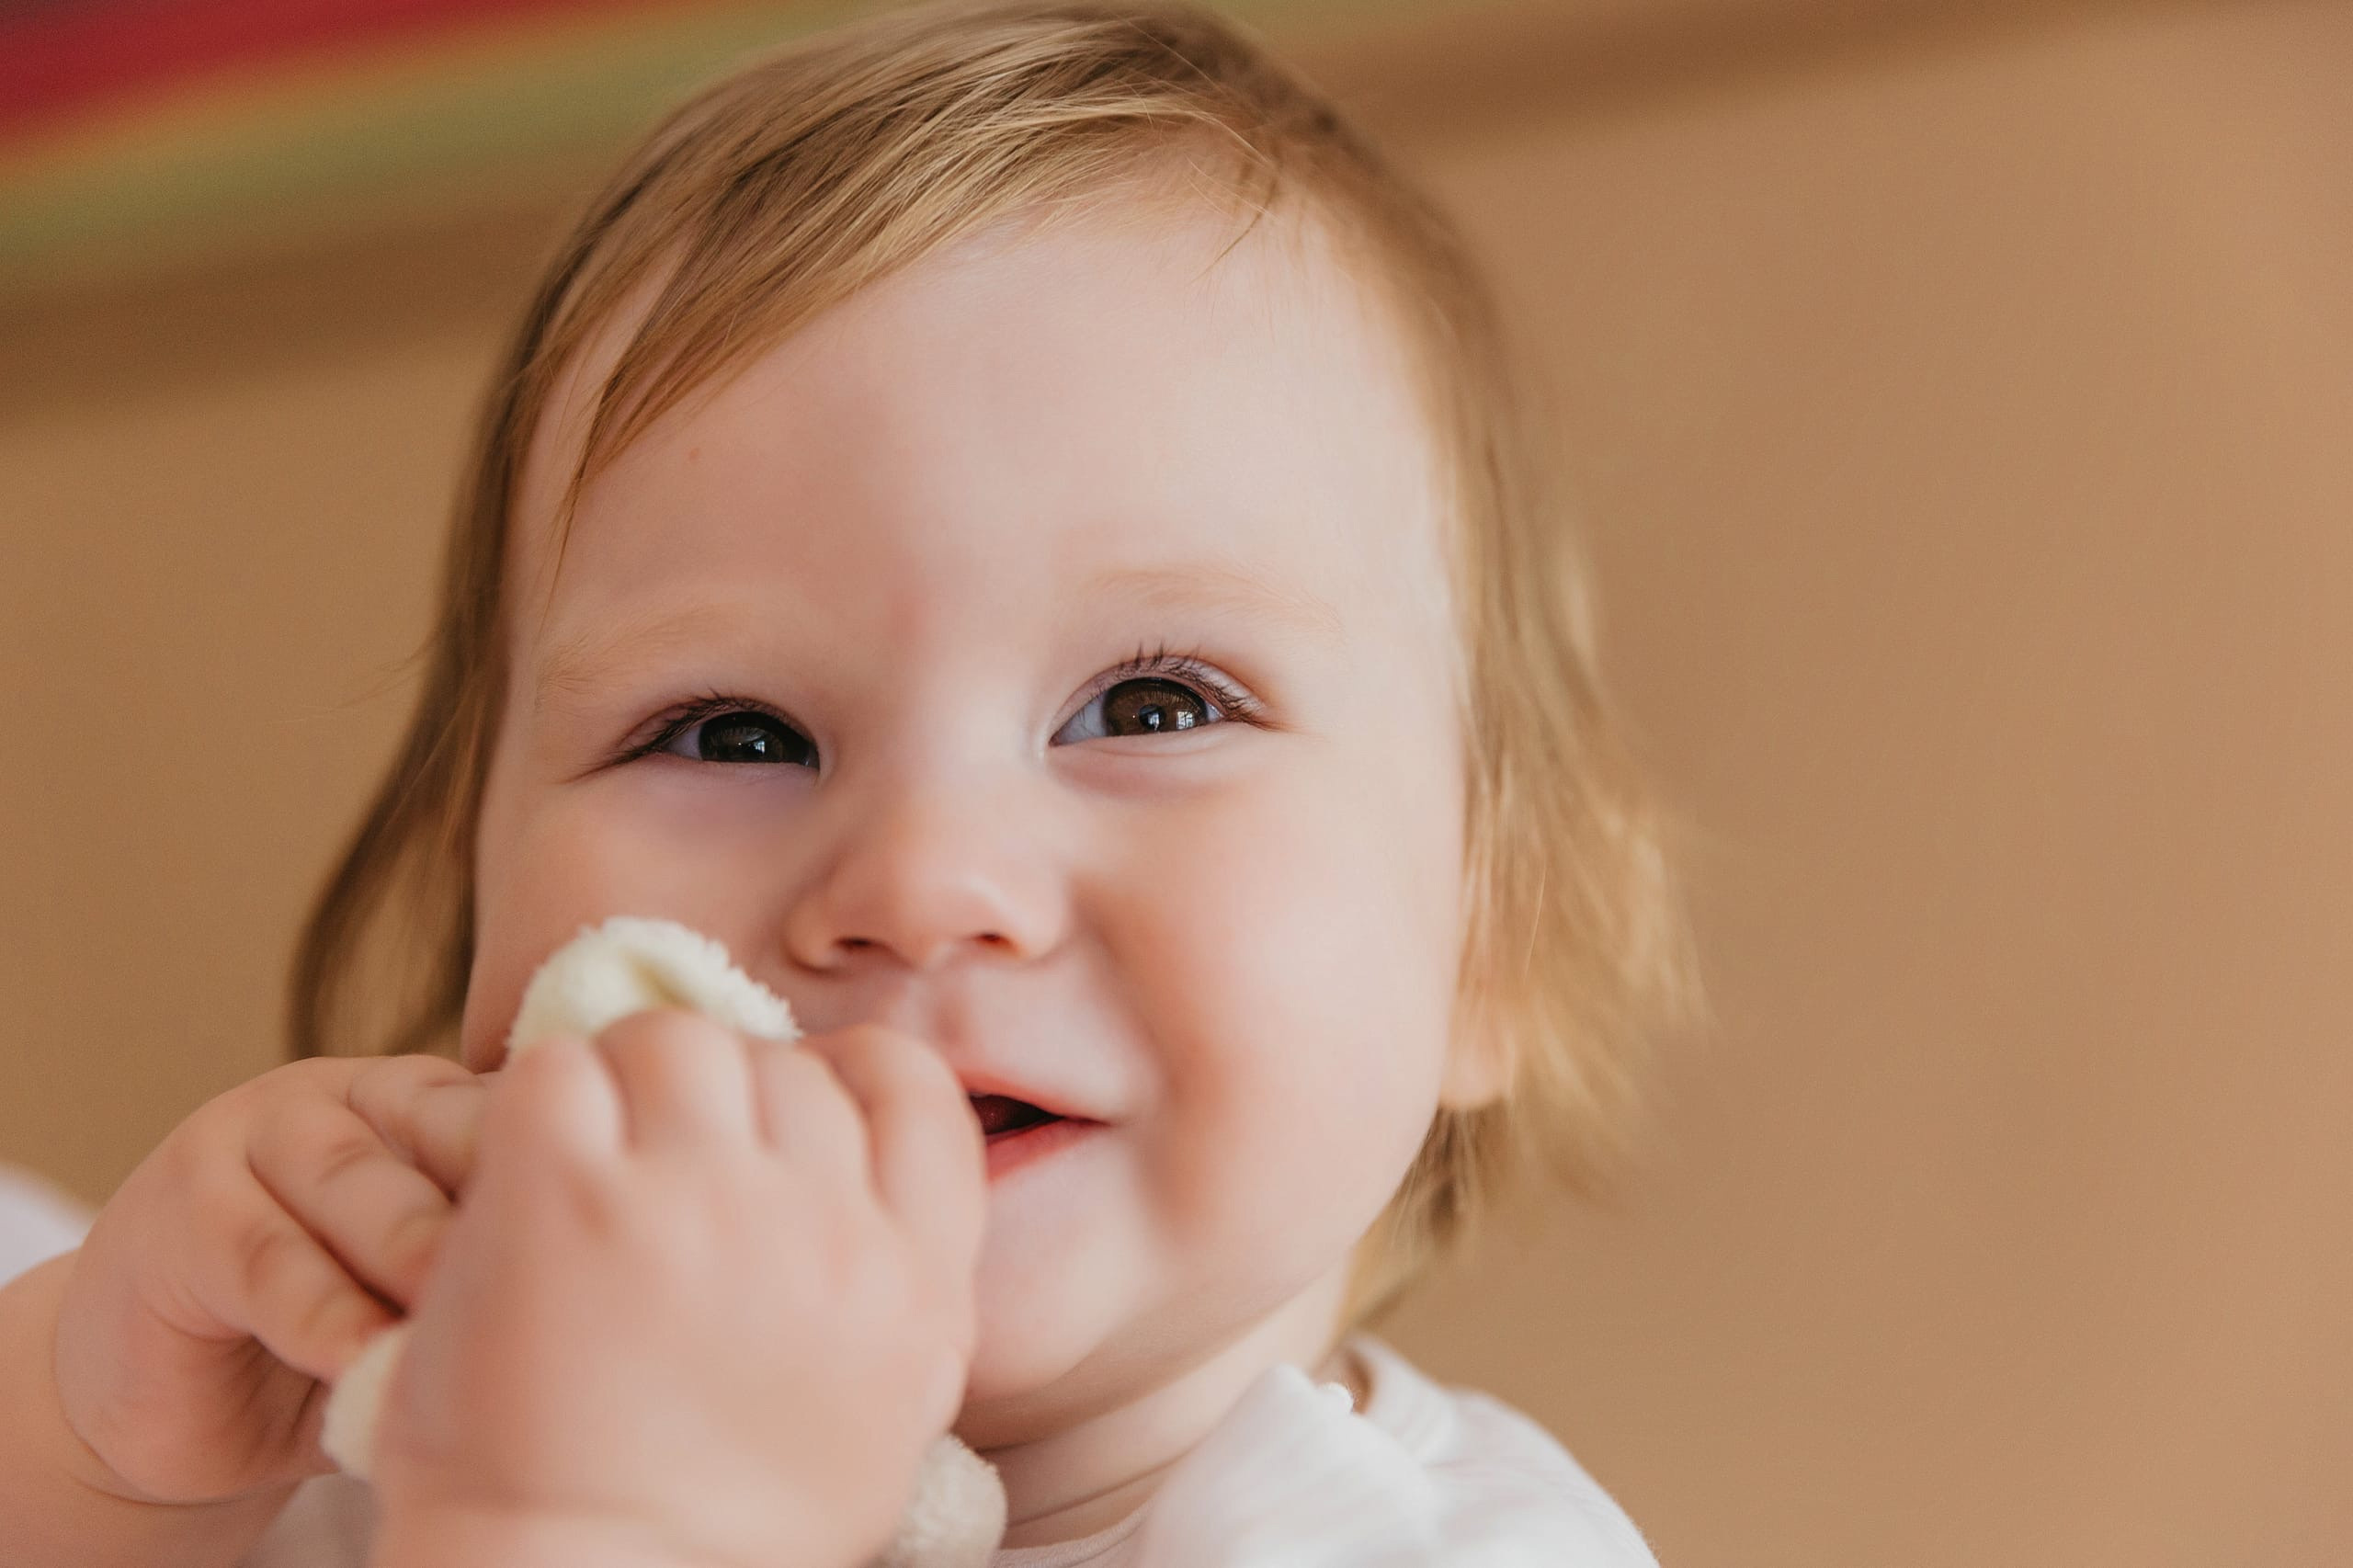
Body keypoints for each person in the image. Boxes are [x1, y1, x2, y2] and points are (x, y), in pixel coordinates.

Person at [0, 1, 1695, 1562]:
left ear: (1498, 929)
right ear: (477, 894)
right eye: (732, 732)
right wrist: (102, 1453)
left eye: (1154, 704)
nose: (920, 875)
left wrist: (608, 1522)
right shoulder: (396, 1432)